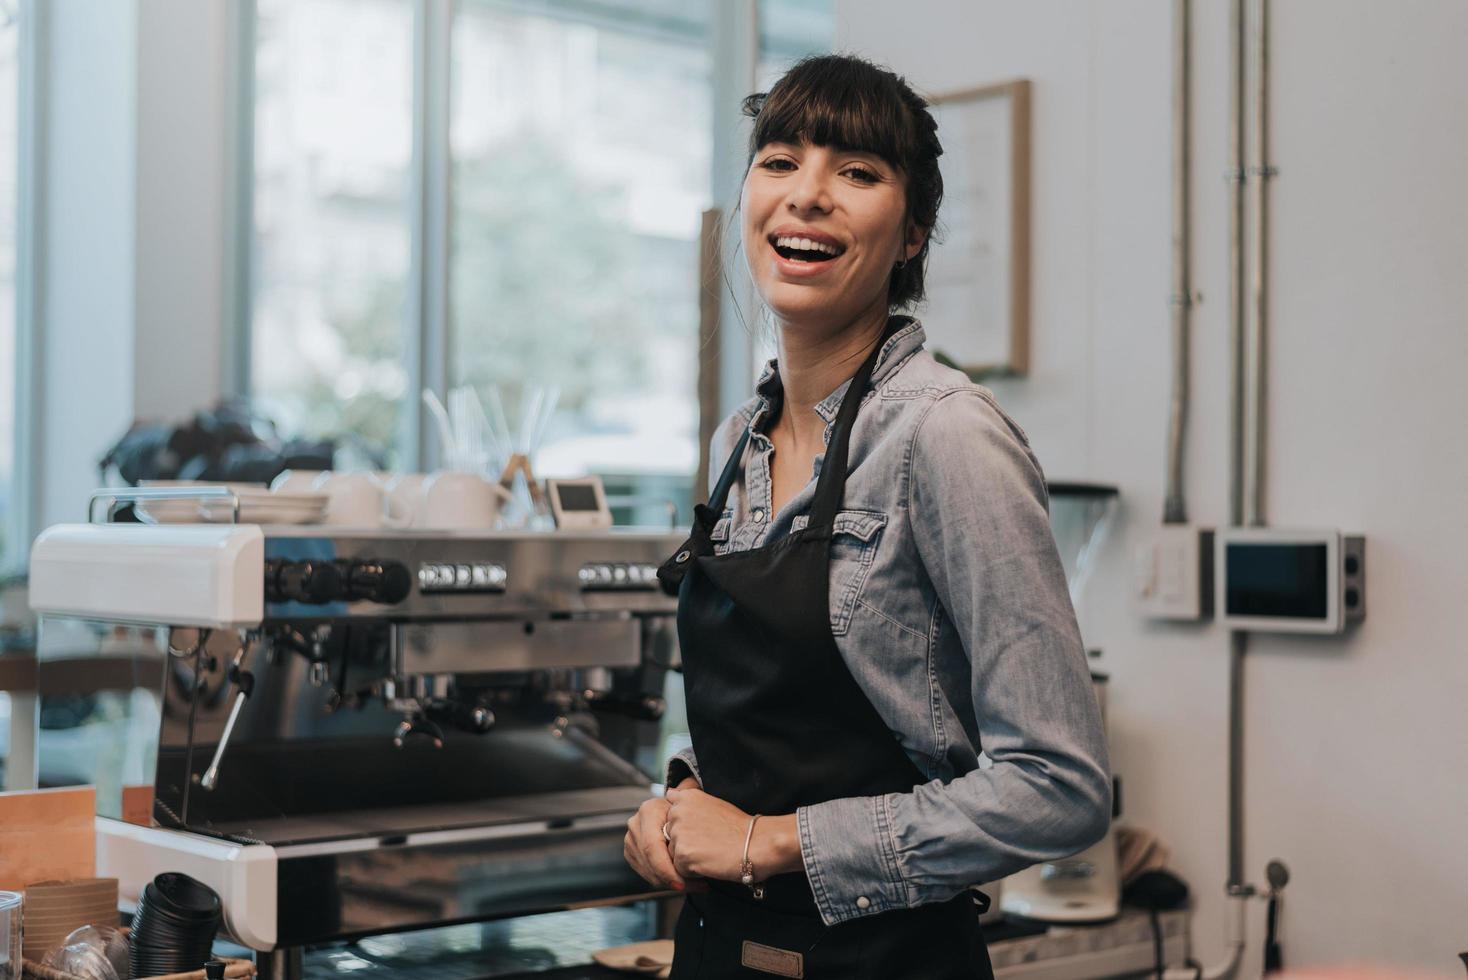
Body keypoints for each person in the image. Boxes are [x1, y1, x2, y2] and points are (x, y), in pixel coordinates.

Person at [628, 54, 1111, 979]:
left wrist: (768, 841)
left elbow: (1059, 790)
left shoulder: (946, 436)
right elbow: (786, 713)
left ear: (914, 232)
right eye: (779, 161)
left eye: (857, 173)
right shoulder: (741, 438)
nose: (808, 197)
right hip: (720, 955)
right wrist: (685, 799)